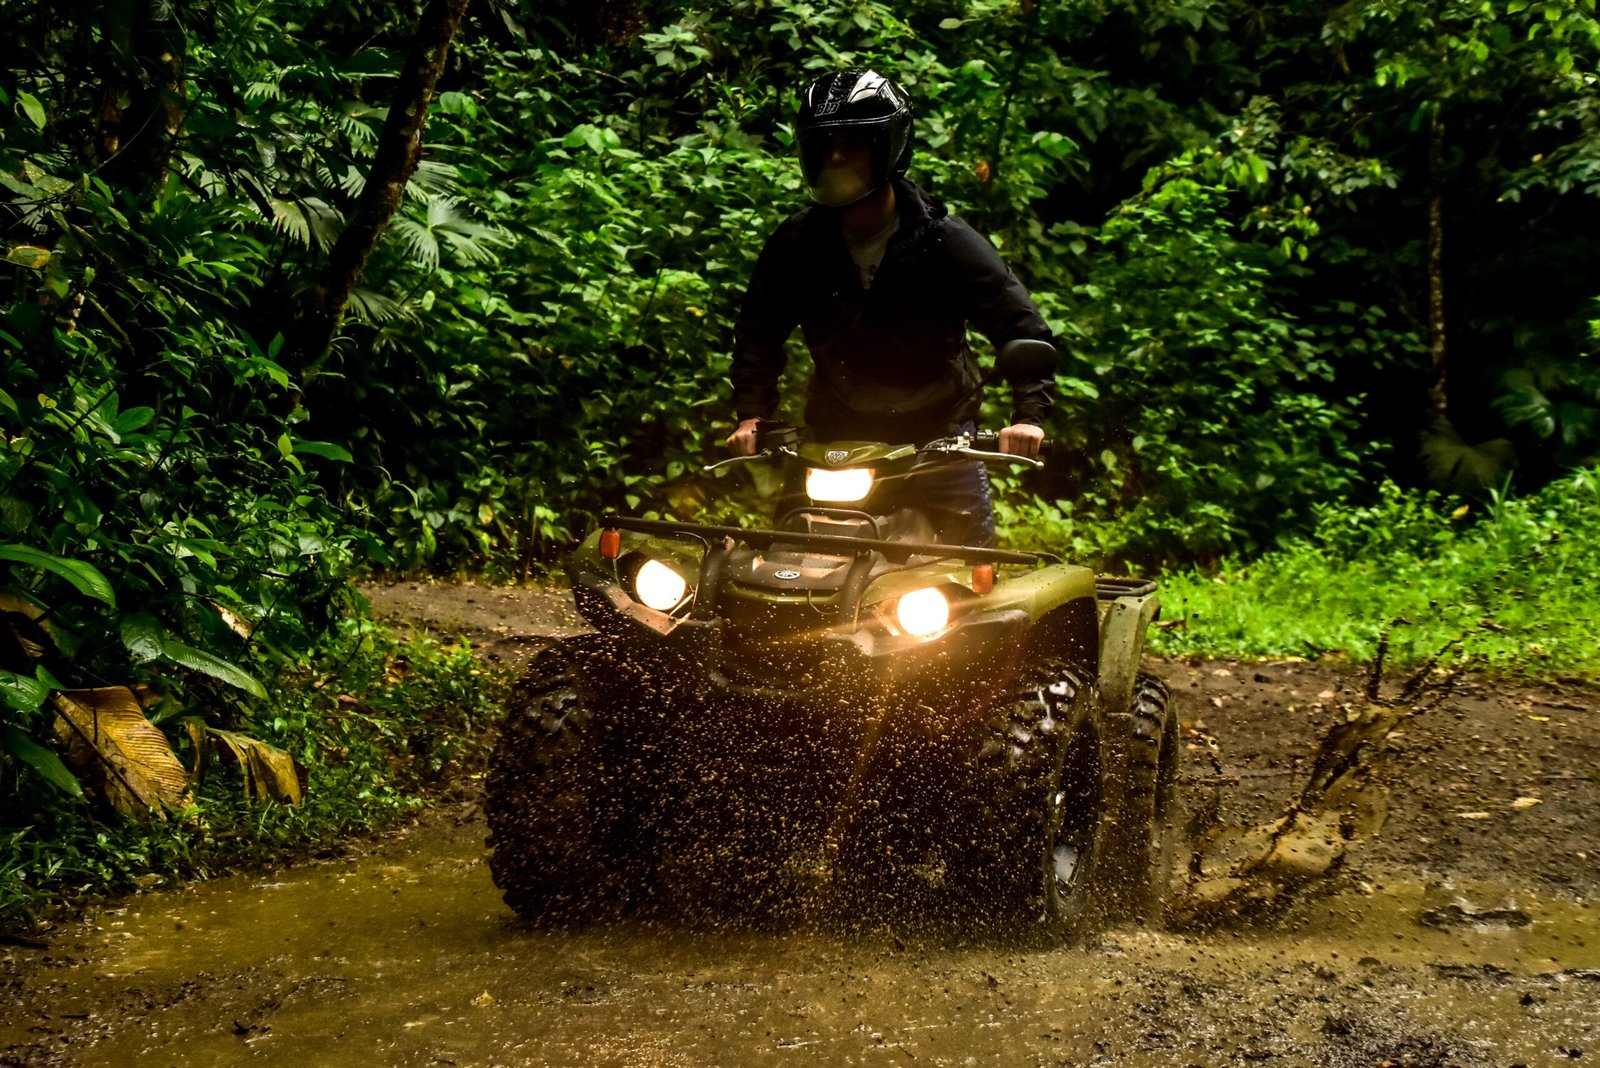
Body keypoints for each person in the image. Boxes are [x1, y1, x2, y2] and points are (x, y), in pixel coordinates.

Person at [724, 68, 1056, 546]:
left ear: (888, 146)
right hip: (834, 440)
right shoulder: (798, 243)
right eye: (825, 143)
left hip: (937, 440)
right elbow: (758, 334)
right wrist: (752, 414)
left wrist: (1027, 417)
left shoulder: (944, 240)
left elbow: (1023, 329)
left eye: (852, 142)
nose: (836, 155)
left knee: (969, 576)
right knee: (791, 558)